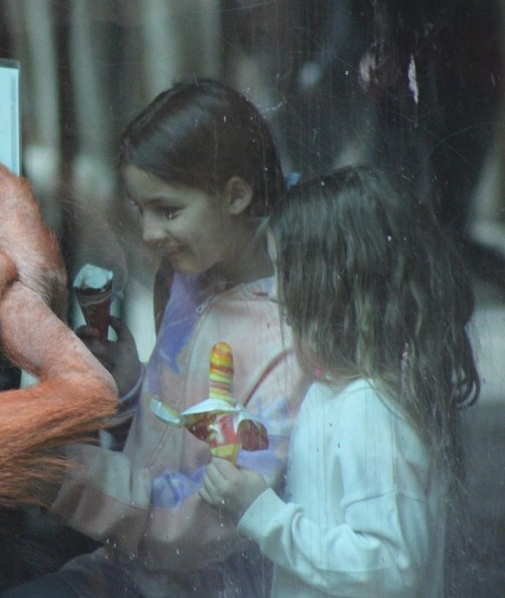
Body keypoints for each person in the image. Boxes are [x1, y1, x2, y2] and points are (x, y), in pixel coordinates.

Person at [0, 78, 311, 597]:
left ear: (236, 195)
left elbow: (215, 516)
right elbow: (171, 439)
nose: (147, 234)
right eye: (141, 210)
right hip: (127, 564)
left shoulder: (287, 337)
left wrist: (62, 474)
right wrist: (127, 387)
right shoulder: (185, 277)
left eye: (168, 210)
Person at [199, 166, 481, 596]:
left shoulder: (369, 409)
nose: (275, 294)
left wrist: (262, 513)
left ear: (332, 288)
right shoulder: (332, 391)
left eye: (285, 273)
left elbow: (391, 569)